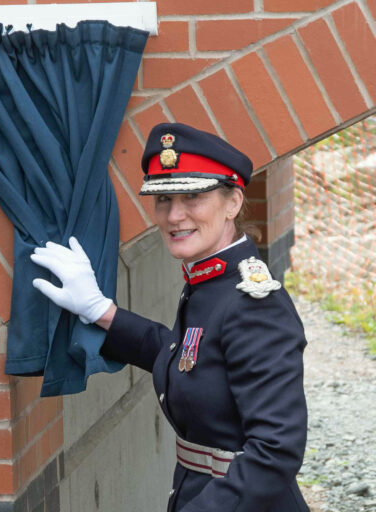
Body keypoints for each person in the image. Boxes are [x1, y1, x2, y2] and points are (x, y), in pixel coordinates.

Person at [30, 123, 309, 512]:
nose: (174, 215)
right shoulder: (210, 280)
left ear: (232, 203)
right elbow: (192, 358)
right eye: (163, 200)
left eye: (193, 196)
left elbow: (275, 452)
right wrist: (100, 310)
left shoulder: (253, 303)